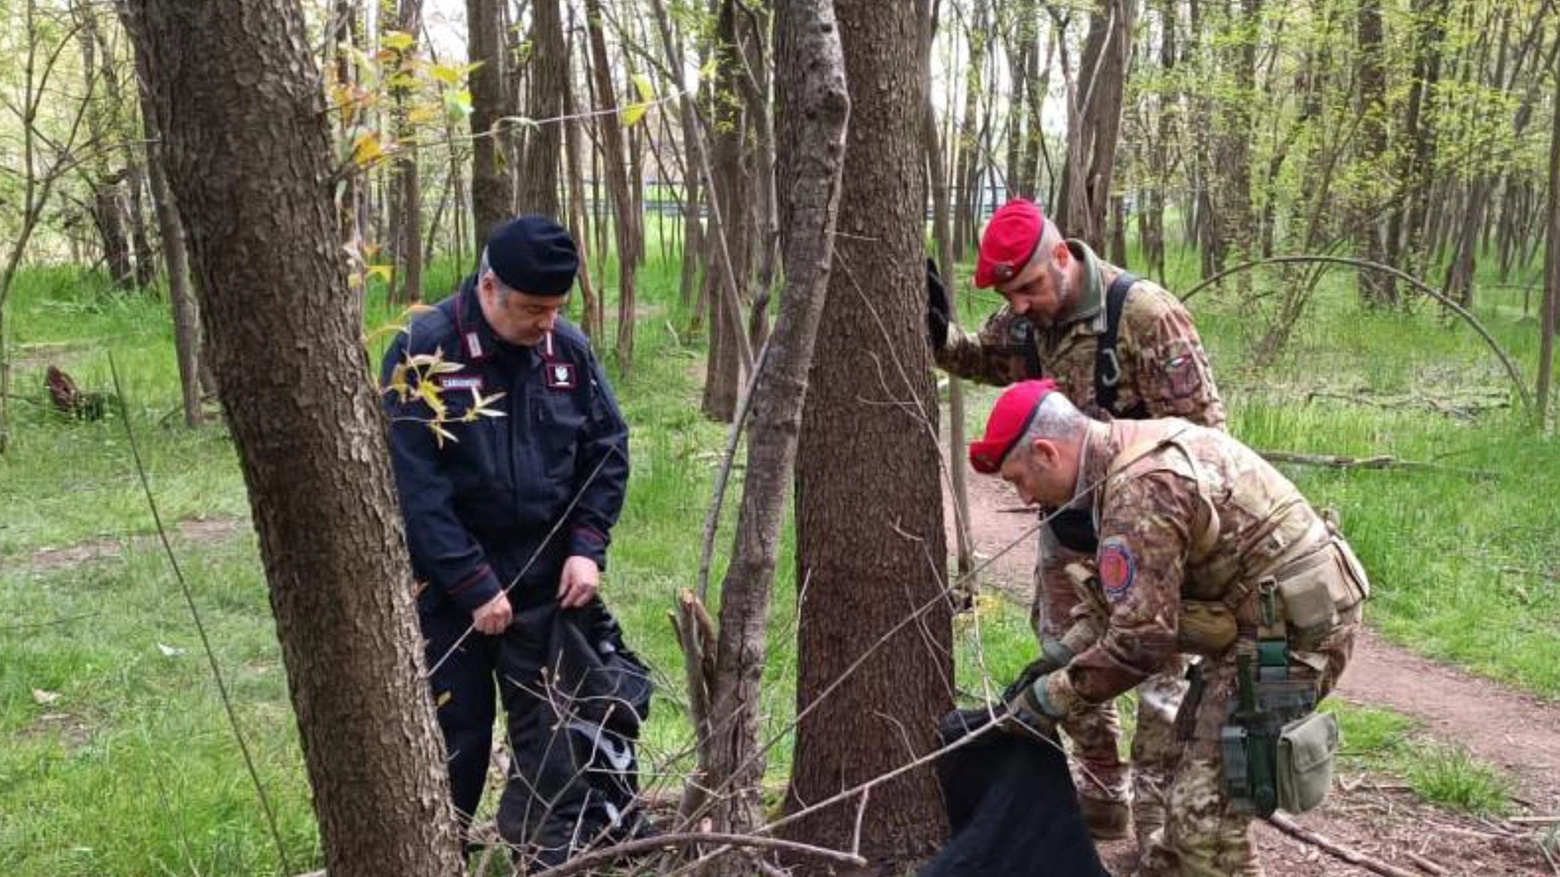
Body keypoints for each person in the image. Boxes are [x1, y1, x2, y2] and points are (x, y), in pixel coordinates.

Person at [971, 380, 1366, 876]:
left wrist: (1050, 698)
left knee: (1205, 817)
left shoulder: (1139, 488)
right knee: (1185, 789)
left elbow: (1141, 643)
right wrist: (1057, 658)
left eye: (1019, 478)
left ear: (1047, 453)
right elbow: (1125, 604)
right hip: (1258, 624)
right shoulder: (1127, 449)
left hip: (1290, 639)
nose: (1025, 497)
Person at [926, 199, 1226, 844]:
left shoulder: (1145, 316)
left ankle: (1158, 830)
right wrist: (939, 338)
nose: (1023, 304)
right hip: (1068, 531)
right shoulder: (1026, 316)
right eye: (1012, 296)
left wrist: (1127, 472)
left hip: (1152, 531)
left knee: (1156, 671)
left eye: (1030, 287)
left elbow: (1205, 442)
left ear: (1063, 256)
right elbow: (987, 359)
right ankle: (1103, 790)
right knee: (1063, 656)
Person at [381, 215, 645, 863]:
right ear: (490, 286)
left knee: (554, 738)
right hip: (449, 592)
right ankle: (440, 855)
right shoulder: (424, 349)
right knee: (455, 736)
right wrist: (472, 583)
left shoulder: (567, 351)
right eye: (532, 308)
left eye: (557, 307)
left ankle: (546, 858)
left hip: (547, 585)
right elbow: (413, 483)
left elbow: (606, 449)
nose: (545, 322)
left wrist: (587, 546)